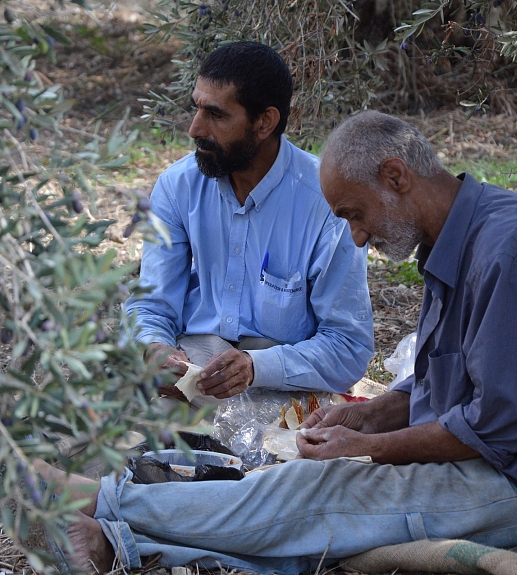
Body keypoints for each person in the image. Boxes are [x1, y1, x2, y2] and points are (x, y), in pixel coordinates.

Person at [0, 111, 517, 575]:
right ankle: (110, 538)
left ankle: (94, 502)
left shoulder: (510, 247)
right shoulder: (458, 242)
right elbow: (451, 387)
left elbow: (501, 424)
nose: (360, 238)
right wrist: (372, 412)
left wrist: (366, 446)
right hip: (504, 462)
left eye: (355, 216)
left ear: (396, 177)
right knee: (300, 490)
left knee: (321, 494)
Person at [123, 41, 374, 400]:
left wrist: (256, 367)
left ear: (264, 122)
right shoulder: (179, 186)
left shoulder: (325, 202)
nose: (195, 129)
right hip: (191, 369)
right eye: (196, 109)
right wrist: (154, 348)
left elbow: (348, 347)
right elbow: (151, 305)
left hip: (285, 377)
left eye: (217, 115)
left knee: (288, 454)